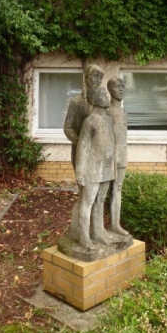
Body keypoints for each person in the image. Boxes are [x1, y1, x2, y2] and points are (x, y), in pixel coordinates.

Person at [63, 64, 104, 239]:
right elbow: (68, 127)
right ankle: (78, 231)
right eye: (95, 76)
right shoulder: (77, 102)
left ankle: (97, 230)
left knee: (98, 196)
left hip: (99, 157)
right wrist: (81, 143)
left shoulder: (102, 101)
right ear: (86, 77)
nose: (97, 80)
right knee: (85, 194)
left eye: (100, 77)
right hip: (82, 154)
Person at [74, 86, 115, 250]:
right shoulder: (90, 121)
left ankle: (99, 232)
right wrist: (80, 171)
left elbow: (111, 144)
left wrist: (112, 165)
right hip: (92, 168)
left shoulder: (109, 119)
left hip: (106, 167)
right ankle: (84, 236)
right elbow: (82, 146)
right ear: (95, 99)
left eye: (107, 94)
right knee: (87, 202)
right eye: (103, 94)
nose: (107, 96)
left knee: (100, 201)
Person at [107, 77, 130, 236]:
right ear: (109, 89)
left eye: (123, 86)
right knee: (101, 192)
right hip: (108, 155)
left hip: (122, 153)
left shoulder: (123, 111)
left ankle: (115, 224)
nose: (121, 89)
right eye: (117, 86)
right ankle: (98, 228)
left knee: (118, 188)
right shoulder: (106, 111)